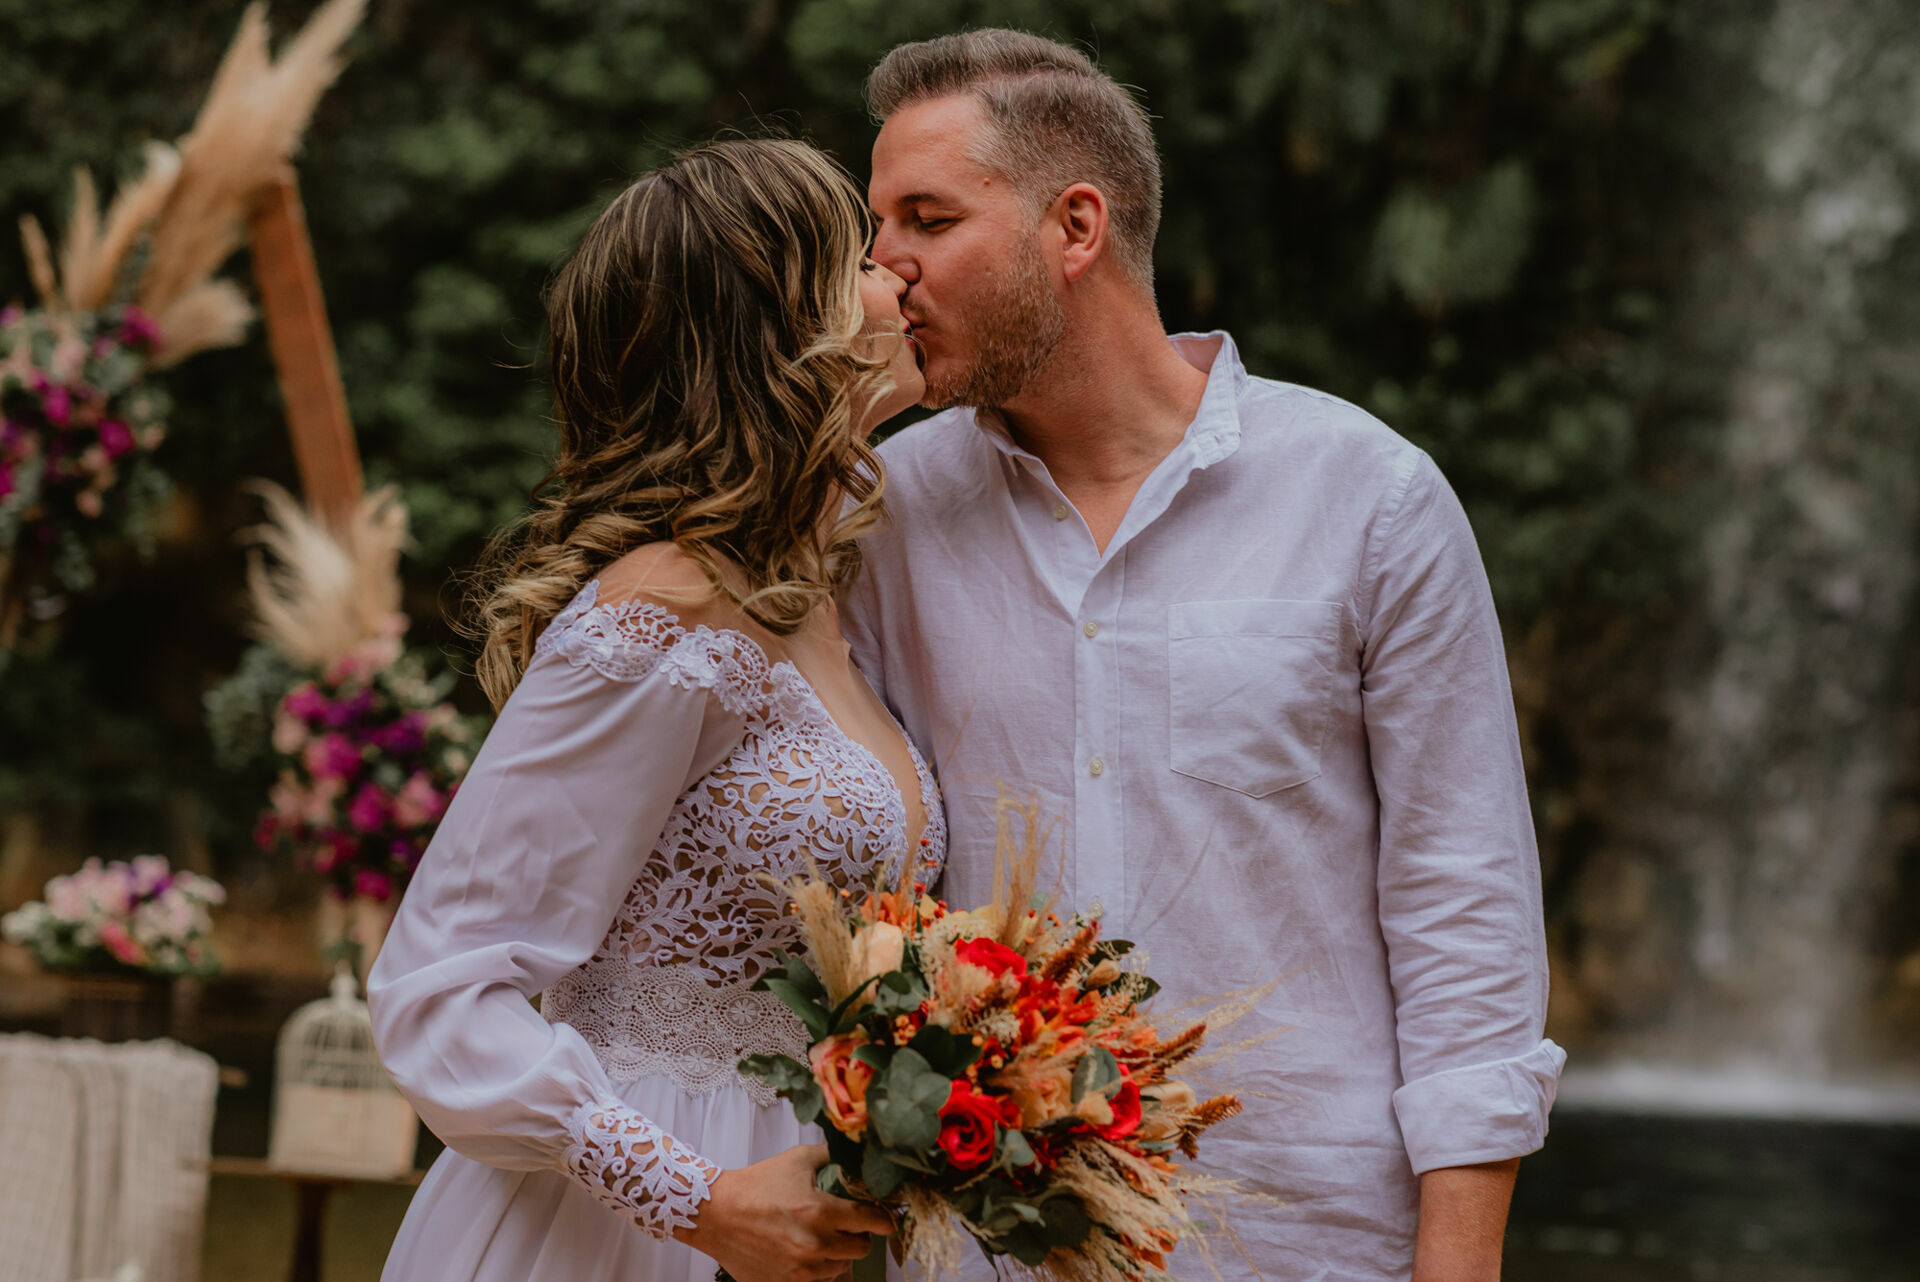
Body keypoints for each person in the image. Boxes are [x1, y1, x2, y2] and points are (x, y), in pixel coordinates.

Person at [842, 31, 1566, 1282]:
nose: (880, 271)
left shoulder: (1369, 498)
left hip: (1303, 1237)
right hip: (980, 1245)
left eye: (927, 217)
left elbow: (1464, 906)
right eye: (874, 227)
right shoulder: (878, 516)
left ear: (1075, 228)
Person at [367, 138, 942, 1282]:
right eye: (860, 265)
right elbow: (440, 991)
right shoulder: (661, 607)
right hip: (619, 1225)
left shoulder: (832, 599)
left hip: (797, 1207)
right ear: (786, 331)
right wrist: (701, 1198)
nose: (899, 279)